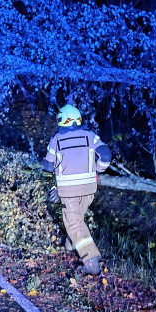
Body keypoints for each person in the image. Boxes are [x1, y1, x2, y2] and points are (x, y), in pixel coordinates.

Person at [42, 104, 112, 275]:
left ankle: (91, 262)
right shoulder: (90, 136)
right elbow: (106, 155)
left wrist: (44, 163)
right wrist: (98, 168)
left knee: (74, 223)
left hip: (69, 192)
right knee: (76, 219)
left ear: (61, 121)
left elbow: (49, 167)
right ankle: (69, 246)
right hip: (89, 190)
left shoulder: (56, 139)